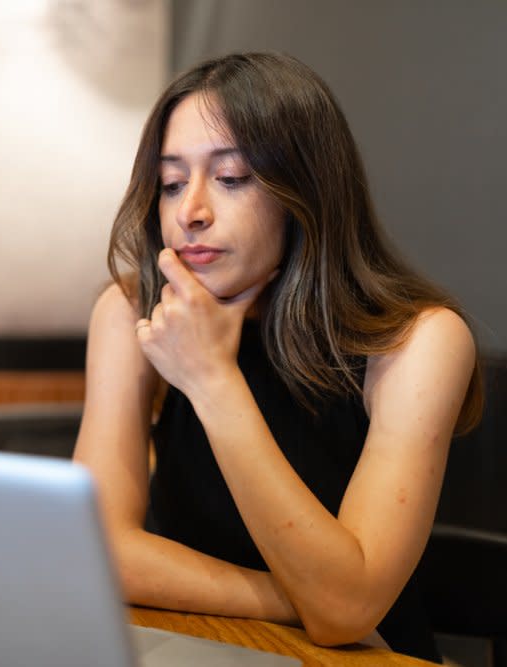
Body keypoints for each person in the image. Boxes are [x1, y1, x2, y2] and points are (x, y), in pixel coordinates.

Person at [73, 52, 483, 664]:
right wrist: (294, 597)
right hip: (193, 644)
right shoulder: (130, 310)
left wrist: (213, 381)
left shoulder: (419, 341)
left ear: (308, 191)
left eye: (232, 178)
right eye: (172, 183)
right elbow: (93, 551)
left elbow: (345, 614)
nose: (191, 212)